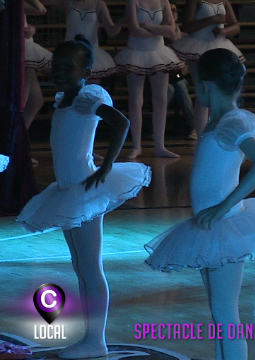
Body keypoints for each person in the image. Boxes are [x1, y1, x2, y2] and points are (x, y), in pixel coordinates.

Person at [144, 48, 255, 360]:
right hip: (211, 228)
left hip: (225, 226)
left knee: (226, 314)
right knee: (220, 314)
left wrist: (223, 206)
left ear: (205, 85)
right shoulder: (220, 121)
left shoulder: (231, 122)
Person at [16, 35, 151, 359]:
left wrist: (105, 166)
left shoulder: (88, 96)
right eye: (56, 66)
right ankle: (90, 338)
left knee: (90, 267)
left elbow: (121, 122)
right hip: (68, 192)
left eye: (68, 67)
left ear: (86, 71)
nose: (59, 72)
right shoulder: (67, 97)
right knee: (81, 265)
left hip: (85, 193)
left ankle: (96, 341)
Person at [114, 0, 184, 159]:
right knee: (135, 101)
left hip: (158, 52)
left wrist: (147, 26)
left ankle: (160, 145)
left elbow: (171, 30)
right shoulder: (133, 1)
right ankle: (136, 145)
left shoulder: (163, 1)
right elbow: (134, 30)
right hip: (136, 52)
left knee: (161, 99)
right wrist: (159, 30)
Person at [171, 0, 243, 137]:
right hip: (198, 46)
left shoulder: (224, 1)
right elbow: (187, 26)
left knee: (218, 91)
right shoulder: (196, 1)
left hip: (219, 45)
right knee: (203, 92)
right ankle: (201, 134)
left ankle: (215, 130)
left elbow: (235, 26)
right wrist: (212, 20)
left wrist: (224, 30)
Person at [42, 0, 121, 81]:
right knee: (70, 86)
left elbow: (111, 31)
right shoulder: (68, 2)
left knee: (90, 88)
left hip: (91, 52)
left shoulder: (99, 4)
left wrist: (121, 22)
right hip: (70, 52)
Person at [23, 0, 49, 162]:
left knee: (35, 101)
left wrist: (31, 29)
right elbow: (41, 9)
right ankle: (15, 148)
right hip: (21, 50)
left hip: (27, 47)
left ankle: (18, 144)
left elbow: (28, 18)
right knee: (23, 103)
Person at [166, 1, 196, 140]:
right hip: (162, 75)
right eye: (169, 10)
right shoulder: (158, 36)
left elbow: (191, 59)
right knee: (169, 90)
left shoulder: (185, 37)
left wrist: (186, 68)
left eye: (174, 11)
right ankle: (156, 127)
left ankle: (193, 127)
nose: (171, 13)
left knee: (180, 86)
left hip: (179, 76)